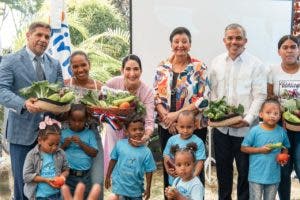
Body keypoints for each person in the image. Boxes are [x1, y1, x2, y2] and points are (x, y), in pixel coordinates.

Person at [0, 21, 63, 199]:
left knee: (46, 186)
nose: (43, 40)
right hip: (21, 134)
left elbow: (59, 92)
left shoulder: (55, 64)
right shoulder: (10, 60)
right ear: (28, 35)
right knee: (23, 186)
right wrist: (23, 104)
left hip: (49, 135)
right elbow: (1, 89)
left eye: (47, 37)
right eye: (39, 35)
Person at [210, 23, 267, 200]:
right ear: (224, 40)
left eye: (238, 38)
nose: (234, 41)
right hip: (221, 130)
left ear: (245, 41)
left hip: (246, 131)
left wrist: (248, 119)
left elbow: (260, 95)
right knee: (223, 171)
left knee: (245, 173)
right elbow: (212, 93)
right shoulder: (216, 62)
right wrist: (214, 116)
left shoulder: (256, 64)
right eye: (230, 38)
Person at [154, 26, 210, 189]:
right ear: (171, 44)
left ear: (190, 44)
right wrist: (169, 120)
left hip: (194, 127)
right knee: (171, 167)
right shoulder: (162, 66)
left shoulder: (199, 67)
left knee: (193, 167)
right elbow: (156, 95)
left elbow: (204, 99)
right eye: (176, 41)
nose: (180, 45)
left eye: (184, 41)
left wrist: (176, 116)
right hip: (167, 127)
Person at [102, 54, 155, 175]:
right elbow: (102, 106)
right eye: (128, 69)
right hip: (114, 131)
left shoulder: (147, 92)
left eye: (136, 69)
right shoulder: (111, 84)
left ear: (141, 71)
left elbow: (149, 121)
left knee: (133, 172)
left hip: (136, 135)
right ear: (122, 70)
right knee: (115, 169)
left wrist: (145, 137)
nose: (132, 73)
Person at [64, 50, 104, 199]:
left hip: (92, 135)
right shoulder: (65, 85)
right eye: (75, 66)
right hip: (69, 135)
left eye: (83, 65)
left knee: (96, 180)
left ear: (89, 65)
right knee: (69, 181)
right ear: (71, 68)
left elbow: (105, 114)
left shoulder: (99, 87)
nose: (80, 69)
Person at [267, 35, 300, 200]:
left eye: (293, 47)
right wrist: (280, 110)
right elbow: (270, 96)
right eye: (285, 47)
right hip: (281, 128)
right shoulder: (272, 70)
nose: (289, 50)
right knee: (283, 168)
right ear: (279, 51)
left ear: (298, 50)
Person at [241, 98, 290, 200]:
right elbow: (243, 148)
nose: (272, 115)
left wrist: (284, 157)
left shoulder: (282, 132)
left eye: (276, 113)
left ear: (280, 116)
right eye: (268, 112)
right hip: (256, 176)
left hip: (274, 177)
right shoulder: (254, 131)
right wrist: (260, 150)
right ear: (261, 114)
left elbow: (285, 147)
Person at [105, 118, 157, 200]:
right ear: (126, 132)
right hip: (120, 189)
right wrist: (108, 176)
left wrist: (148, 188)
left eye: (141, 129)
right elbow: (113, 160)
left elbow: (149, 171)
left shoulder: (146, 152)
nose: (138, 132)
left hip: (136, 191)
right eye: (134, 129)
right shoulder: (120, 145)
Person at [23, 116, 69, 199]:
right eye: (50, 144)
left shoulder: (61, 153)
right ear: (40, 140)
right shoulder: (32, 155)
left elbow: (66, 169)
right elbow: (26, 176)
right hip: (39, 196)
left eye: (57, 144)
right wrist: (45, 180)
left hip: (56, 195)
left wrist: (62, 177)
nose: (54, 147)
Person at [61, 104, 98, 198]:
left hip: (84, 177)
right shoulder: (64, 133)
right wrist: (65, 145)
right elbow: (56, 153)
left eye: (81, 121)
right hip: (68, 175)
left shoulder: (90, 134)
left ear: (86, 120)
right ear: (69, 119)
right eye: (74, 120)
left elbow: (94, 153)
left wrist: (81, 144)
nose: (77, 123)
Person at [163, 110, 206, 186]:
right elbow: (166, 157)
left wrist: (192, 178)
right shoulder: (171, 140)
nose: (185, 130)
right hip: (174, 182)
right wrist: (168, 171)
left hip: (192, 184)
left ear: (195, 125)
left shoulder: (199, 142)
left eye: (189, 127)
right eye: (182, 127)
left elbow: (200, 162)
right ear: (177, 126)